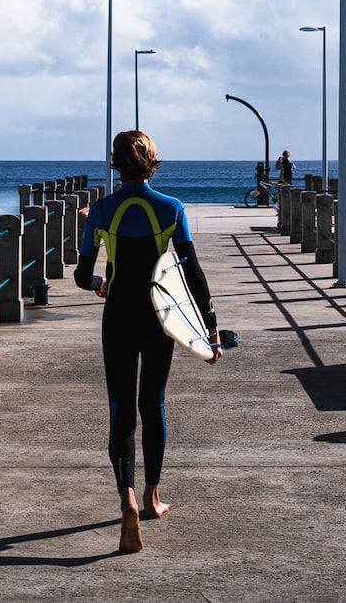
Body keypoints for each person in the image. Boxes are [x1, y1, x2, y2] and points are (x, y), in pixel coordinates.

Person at [74, 130, 221, 554]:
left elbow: (84, 277)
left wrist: (104, 283)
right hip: (160, 320)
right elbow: (192, 273)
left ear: (115, 165)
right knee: (152, 404)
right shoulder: (172, 209)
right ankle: (154, 498)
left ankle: (129, 501)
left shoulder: (100, 212)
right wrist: (209, 325)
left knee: (120, 409)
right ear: (152, 163)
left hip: (117, 316)